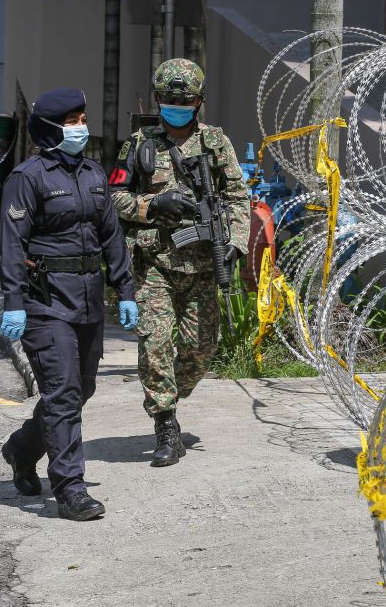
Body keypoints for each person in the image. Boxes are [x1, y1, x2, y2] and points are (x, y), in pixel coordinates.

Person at [0, 88, 138, 521]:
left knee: (82, 390)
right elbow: (12, 243)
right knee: (62, 393)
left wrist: (125, 290)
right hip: (45, 301)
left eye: (82, 118)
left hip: (89, 296)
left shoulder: (94, 174)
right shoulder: (28, 177)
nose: (81, 127)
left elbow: (111, 235)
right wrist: (13, 302)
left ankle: (21, 448)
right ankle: (70, 488)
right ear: (51, 127)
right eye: (72, 120)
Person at [108, 58, 250, 467]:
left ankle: (169, 394)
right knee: (155, 345)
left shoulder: (215, 143)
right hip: (154, 263)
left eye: (184, 100)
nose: (176, 105)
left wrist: (235, 244)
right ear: (158, 100)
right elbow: (112, 196)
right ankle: (166, 425)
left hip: (203, 264)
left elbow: (239, 198)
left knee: (200, 351)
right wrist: (152, 205)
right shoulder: (137, 145)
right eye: (169, 99)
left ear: (198, 101)